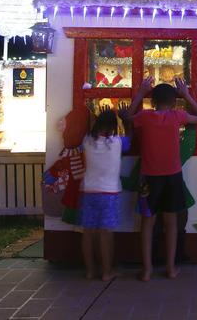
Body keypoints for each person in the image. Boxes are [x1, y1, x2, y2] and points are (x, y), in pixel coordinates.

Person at [125, 76, 197, 281]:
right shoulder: (177, 116)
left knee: (147, 223)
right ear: (174, 102)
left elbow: (127, 118)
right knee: (171, 223)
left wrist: (141, 92)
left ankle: (147, 270)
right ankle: (170, 268)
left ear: (152, 102)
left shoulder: (144, 116)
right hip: (172, 177)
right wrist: (186, 94)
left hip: (148, 179)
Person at [79, 108, 130, 281]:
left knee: (88, 233)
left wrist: (93, 117)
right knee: (105, 234)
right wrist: (125, 119)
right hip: (109, 194)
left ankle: (90, 271)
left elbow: (89, 133)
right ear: (113, 126)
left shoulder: (86, 141)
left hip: (88, 192)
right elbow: (131, 139)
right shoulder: (117, 142)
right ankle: (107, 272)